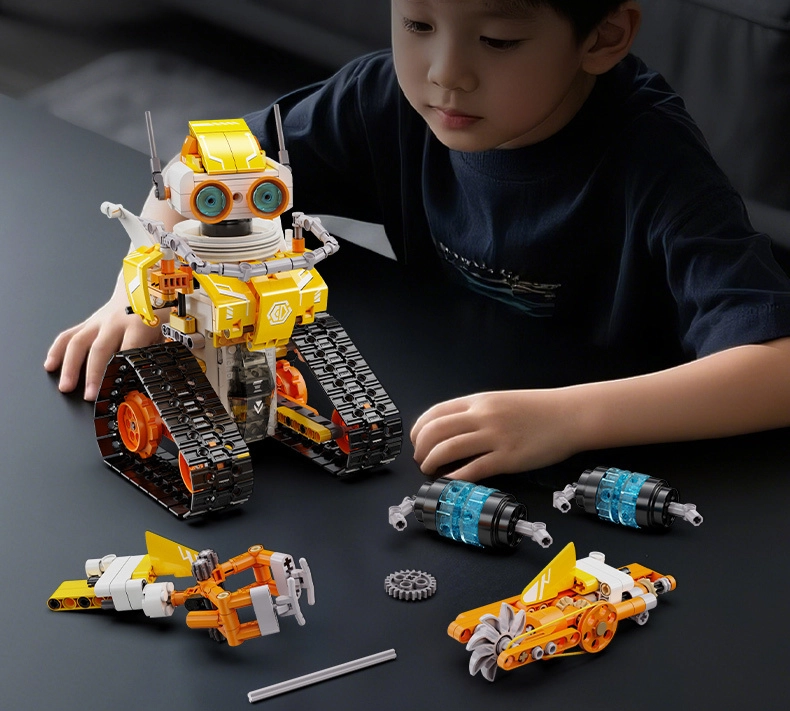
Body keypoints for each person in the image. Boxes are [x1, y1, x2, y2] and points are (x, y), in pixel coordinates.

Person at [45, 0, 790, 484]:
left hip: (625, 446)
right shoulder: (383, 99)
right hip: (446, 383)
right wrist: (140, 289)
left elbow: (777, 366)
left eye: (497, 40)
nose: (445, 74)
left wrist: (567, 418)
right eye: (417, 24)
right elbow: (200, 169)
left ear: (603, 37)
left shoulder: (655, 161)